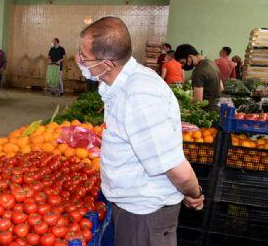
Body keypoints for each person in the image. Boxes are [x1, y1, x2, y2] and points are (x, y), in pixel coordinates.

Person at [78, 17, 204, 246]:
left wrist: (194, 194)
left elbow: (178, 171)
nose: (80, 61)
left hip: (145, 215)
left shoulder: (139, 96)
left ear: (106, 64)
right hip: (133, 209)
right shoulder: (119, 84)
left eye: (84, 57)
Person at [175, 44, 223, 110]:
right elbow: (221, 88)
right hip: (217, 107)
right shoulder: (212, 63)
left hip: (206, 110)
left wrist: (184, 107)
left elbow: (198, 101)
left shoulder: (198, 71)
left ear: (190, 57)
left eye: (182, 62)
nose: (182, 66)